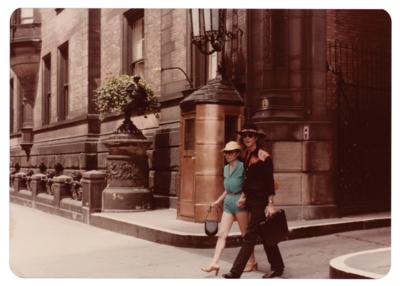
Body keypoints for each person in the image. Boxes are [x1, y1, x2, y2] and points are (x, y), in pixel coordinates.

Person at [222, 123, 285, 279]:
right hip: (250, 200)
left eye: (250, 135)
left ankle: (235, 272)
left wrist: (270, 204)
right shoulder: (247, 155)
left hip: (260, 201)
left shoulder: (264, 156)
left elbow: (269, 182)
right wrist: (243, 197)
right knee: (265, 234)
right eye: (244, 135)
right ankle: (278, 266)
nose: (247, 138)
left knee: (249, 236)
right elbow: (248, 180)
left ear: (256, 137)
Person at [201, 141, 257, 276]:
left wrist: (243, 198)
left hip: (240, 203)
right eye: (226, 152)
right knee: (222, 234)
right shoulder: (226, 169)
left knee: (245, 236)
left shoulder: (243, 167)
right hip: (228, 203)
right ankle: (215, 263)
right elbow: (227, 189)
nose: (228, 154)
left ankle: (252, 261)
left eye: (231, 152)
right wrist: (217, 201)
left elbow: (248, 186)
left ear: (237, 153)